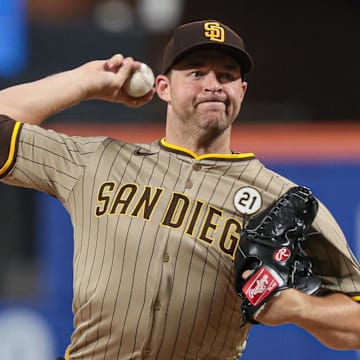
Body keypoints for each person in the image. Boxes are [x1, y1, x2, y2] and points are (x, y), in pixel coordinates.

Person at [0, 19, 359, 360]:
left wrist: (297, 307)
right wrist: (84, 83)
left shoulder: (280, 200)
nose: (213, 84)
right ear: (163, 88)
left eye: (227, 75)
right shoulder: (96, 160)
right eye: (197, 72)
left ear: (242, 92)